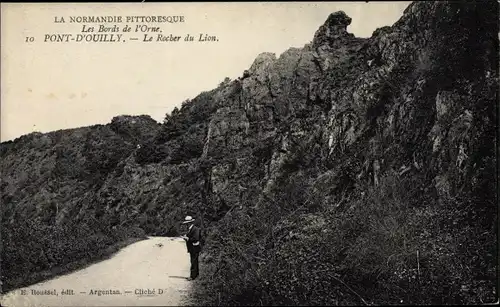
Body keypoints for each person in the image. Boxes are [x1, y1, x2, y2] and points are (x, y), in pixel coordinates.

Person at [181, 215, 202, 280]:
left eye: (187, 223)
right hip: (193, 247)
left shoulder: (195, 229)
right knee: (194, 261)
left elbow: (196, 238)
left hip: (194, 247)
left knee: (193, 261)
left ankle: (193, 276)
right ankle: (196, 275)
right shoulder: (191, 229)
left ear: (190, 223)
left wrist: (187, 238)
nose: (186, 225)